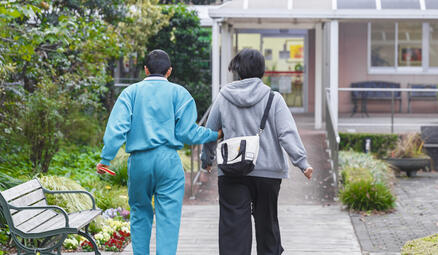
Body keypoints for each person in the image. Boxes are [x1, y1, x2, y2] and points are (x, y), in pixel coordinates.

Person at [96, 49, 221, 255]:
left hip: (139, 162)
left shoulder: (130, 93)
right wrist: (213, 135)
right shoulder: (180, 94)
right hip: (169, 162)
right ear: (169, 71)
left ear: (145, 69)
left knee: (139, 214)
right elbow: (188, 134)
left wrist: (106, 159)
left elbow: (116, 130)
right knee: (168, 219)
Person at [201, 48, 313, 255]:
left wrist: (206, 159)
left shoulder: (224, 96)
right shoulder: (274, 98)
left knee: (233, 233)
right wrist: (302, 163)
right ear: (263, 70)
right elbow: (287, 133)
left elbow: (210, 131)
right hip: (268, 173)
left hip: (232, 171)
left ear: (237, 70)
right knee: (267, 227)